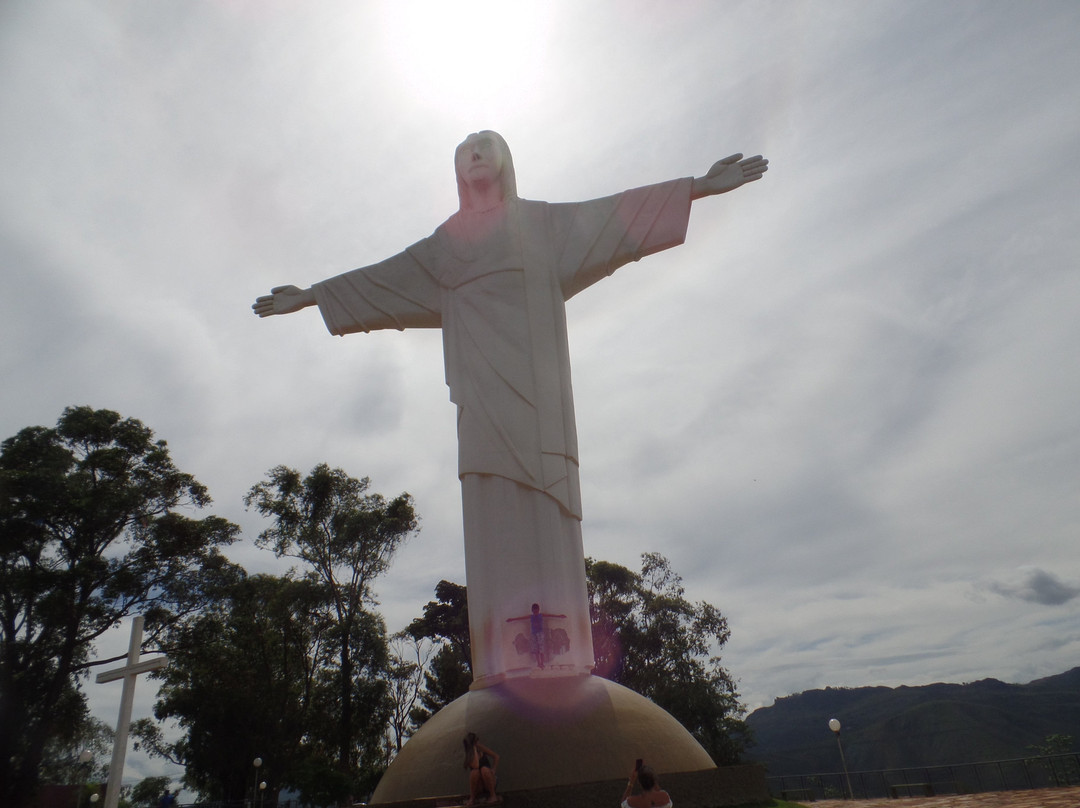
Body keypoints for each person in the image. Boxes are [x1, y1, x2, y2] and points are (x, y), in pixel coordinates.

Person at [253, 131, 767, 686]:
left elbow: (614, 217)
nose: (474, 151)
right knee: (492, 512)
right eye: (464, 148)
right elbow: (381, 280)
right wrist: (311, 296)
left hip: (540, 405)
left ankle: (568, 658)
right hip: (482, 405)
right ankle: (499, 665)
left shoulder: (542, 227)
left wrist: (698, 189)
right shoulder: (442, 249)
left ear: (505, 160)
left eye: (485, 143)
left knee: (548, 511)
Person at [506, 603, 567, 668]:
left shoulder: (541, 615)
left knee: (541, 649)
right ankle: (538, 663)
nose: (536, 613)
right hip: (533, 634)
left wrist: (559, 616)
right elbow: (521, 618)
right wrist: (512, 619)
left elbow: (550, 615)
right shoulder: (531, 616)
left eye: (537, 611)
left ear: (538, 610)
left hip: (540, 634)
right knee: (536, 650)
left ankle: (542, 663)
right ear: (532, 611)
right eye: (534, 611)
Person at [462, 731, 499, 805]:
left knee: (484, 769)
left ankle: (493, 795)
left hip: (489, 781)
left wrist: (493, 769)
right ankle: (472, 798)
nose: (478, 741)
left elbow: (496, 756)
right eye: (476, 740)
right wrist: (474, 749)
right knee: (474, 772)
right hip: (479, 785)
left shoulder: (481, 748)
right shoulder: (469, 755)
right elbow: (476, 765)